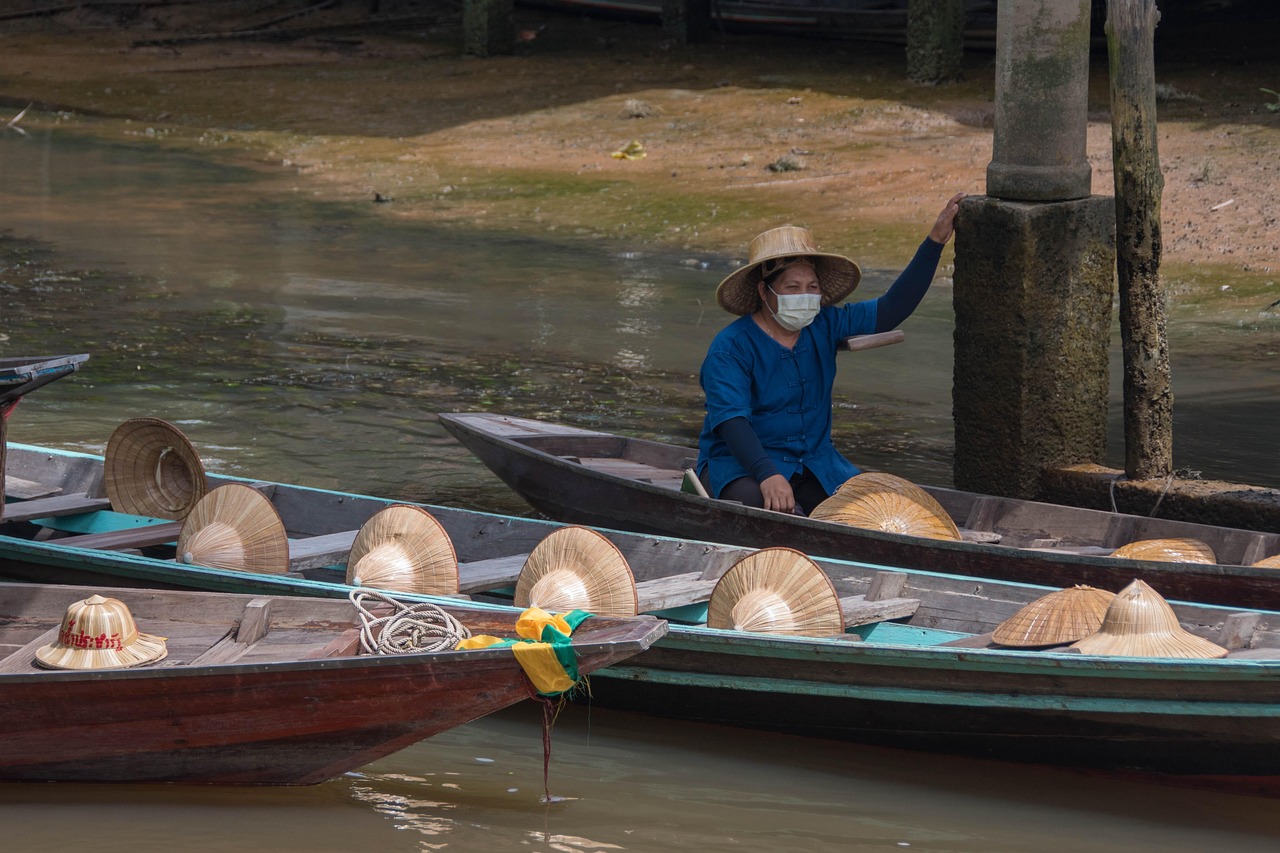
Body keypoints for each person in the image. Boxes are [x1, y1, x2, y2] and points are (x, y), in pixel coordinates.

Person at [695, 192, 965, 515]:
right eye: (792, 288)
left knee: (871, 511)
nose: (804, 295)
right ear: (763, 291)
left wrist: (935, 242)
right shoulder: (731, 347)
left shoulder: (825, 323)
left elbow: (891, 309)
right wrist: (767, 473)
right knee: (774, 510)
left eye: (812, 287)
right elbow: (731, 421)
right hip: (742, 466)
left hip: (815, 464)